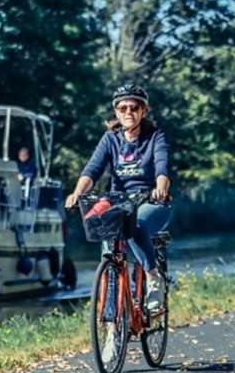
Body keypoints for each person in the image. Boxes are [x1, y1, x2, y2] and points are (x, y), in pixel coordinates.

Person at [65, 84, 171, 317]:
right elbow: (92, 169)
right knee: (107, 250)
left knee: (136, 226)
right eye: (122, 108)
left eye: (134, 107)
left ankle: (153, 276)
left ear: (143, 110)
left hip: (150, 201)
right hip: (119, 202)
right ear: (116, 112)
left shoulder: (155, 136)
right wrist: (77, 192)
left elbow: (162, 166)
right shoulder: (110, 139)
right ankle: (112, 328)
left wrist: (161, 188)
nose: (128, 112)